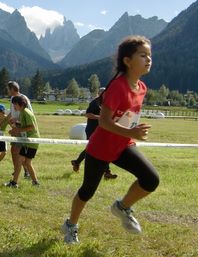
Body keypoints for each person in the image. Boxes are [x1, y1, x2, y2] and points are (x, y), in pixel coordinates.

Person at [61, 35, 160, 244]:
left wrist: (131, 133)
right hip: (101, 147)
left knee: (151, 179)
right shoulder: (118, 86)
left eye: (150, 55)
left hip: (123, 145)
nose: (149, 59)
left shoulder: (141, 88)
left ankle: (122, 207)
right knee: (87, 191)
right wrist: (132, 133)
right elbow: (104, 122)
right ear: (127, 60)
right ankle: (70, 226)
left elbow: (128, 118)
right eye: (143, 55)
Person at [71, 88, 118, 180]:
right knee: (93, 149)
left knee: (102, 150)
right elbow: (87, 114)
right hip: (92, 130)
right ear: (99, 93)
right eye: (103, 93)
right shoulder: (94, 103)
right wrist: (101, 117)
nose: (105, 94)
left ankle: (77, 162)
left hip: (103, 130)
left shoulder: (106, 104)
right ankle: (106, 172)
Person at [0, 81, 33, 179]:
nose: (7, 91)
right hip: (15, 128)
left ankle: (26, 172)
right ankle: (18, 170)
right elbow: (11, 113)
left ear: (12, 89)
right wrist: (1, 123)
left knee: (18, 151)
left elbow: (29, 114)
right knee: (14, 151)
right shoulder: (13, 99)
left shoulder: (24, 99)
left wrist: (17, 121)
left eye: (8, 89)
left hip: (22, 129)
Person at [4, 96, 41, 188]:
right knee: (27, 163)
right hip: (30, 141)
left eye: (14, 104)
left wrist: (17, 130)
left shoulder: (26, 112)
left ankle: (14, 183)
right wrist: (15, 128)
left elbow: (32, 126)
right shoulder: (22, 112)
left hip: (30, 141)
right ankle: (35, 182)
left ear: (20, 104)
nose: (13, 107)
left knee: (20, 161)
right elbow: (24, 126)